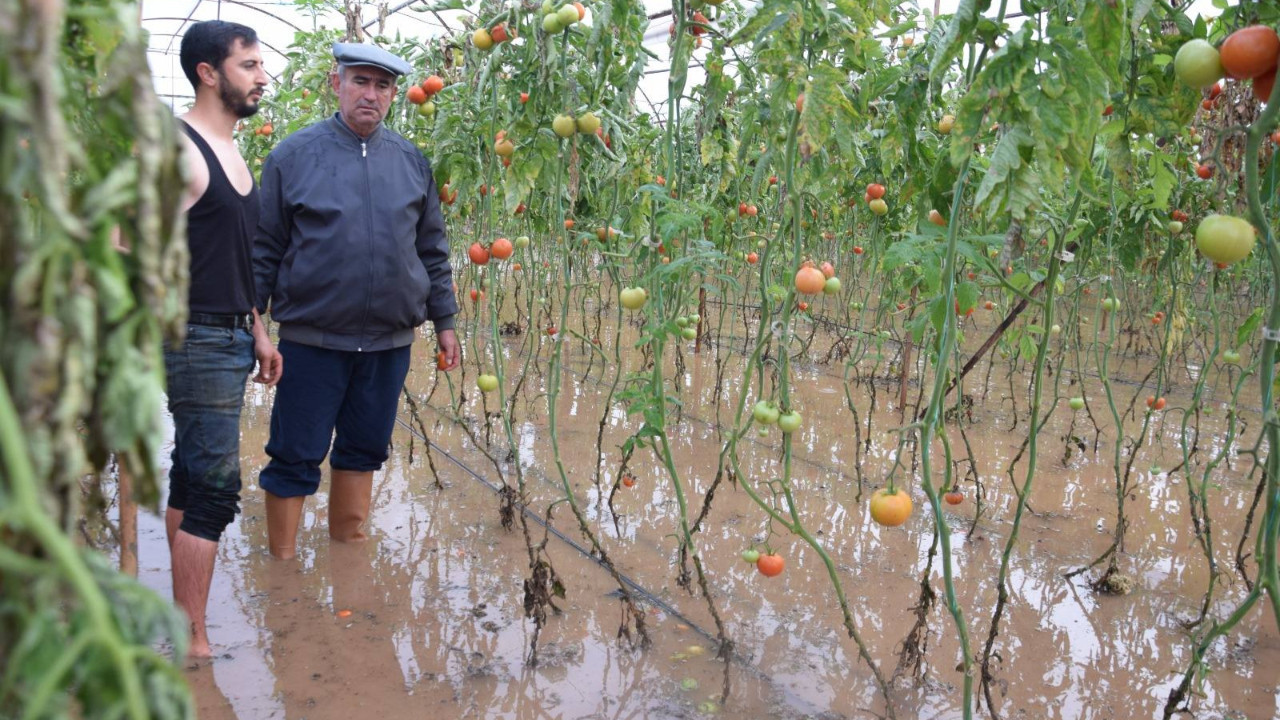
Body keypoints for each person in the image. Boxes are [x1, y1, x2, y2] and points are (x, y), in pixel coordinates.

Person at [253, 42, 460, 560]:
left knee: (364, 449)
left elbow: (432, 248)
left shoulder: (412, 161)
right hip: (312, 339)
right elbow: (264, 249)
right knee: (295, 452)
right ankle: (281, 566)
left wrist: (447, 320)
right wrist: (253, 326)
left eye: (383, 86)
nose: (371, 94)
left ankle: (348, 553)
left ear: (394, 95)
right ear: (336, 83)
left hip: (388, 342)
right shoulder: (293, 156)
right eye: (360, 82)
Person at [168, 19, 283, 659]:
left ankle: (185, 619)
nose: (262, 76)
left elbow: (232, 257)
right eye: (248, 65)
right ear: (208, 73)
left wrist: (260, 332)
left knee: (190, 481)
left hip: (231, 332)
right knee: (213, 492)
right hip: (195, 338)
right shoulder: (179, 152)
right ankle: (194, 638)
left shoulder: (232, 148)